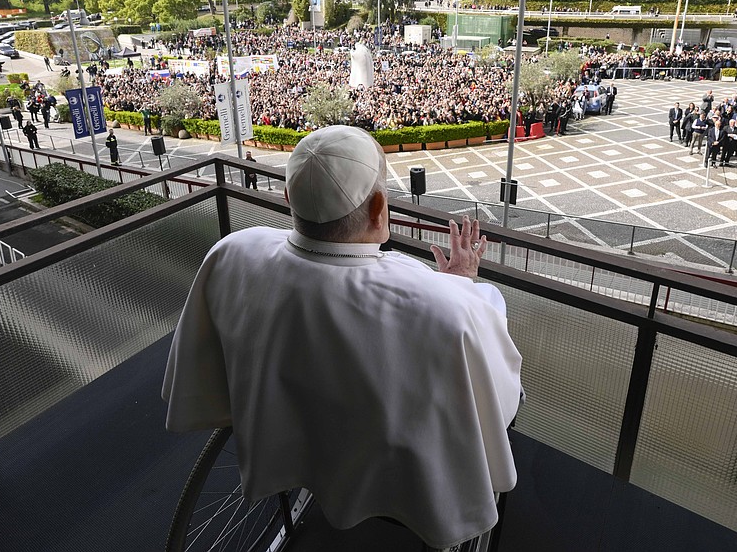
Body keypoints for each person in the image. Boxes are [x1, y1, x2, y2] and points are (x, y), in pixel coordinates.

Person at [163, 126, 523, 551]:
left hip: (282, 428)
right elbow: (496, 397)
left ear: (288, 199)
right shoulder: (442, 305)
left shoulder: (235, 250)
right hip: (396, 470)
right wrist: (461, 283)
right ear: (378, 207)